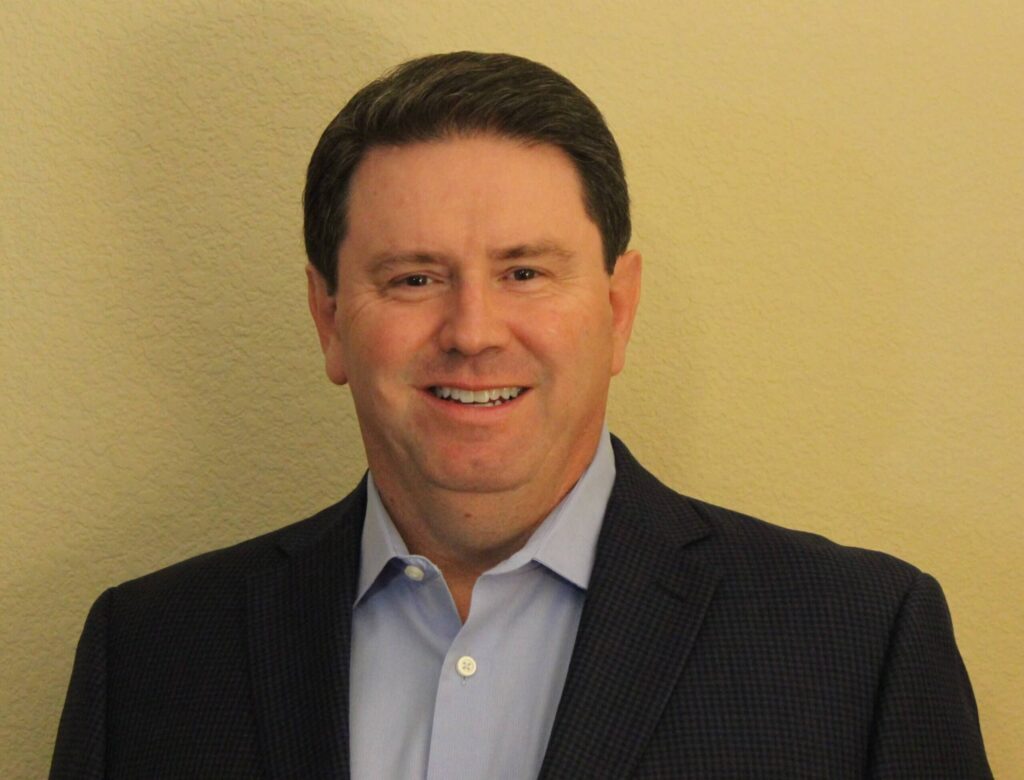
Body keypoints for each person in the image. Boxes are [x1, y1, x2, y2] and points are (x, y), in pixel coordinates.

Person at [50, 51, 990, 778]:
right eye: (413, 278)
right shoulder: (150, 653)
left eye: (525, 273)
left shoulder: (860, 643)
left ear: (618, 309)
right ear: (329, 320)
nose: (472, 332)